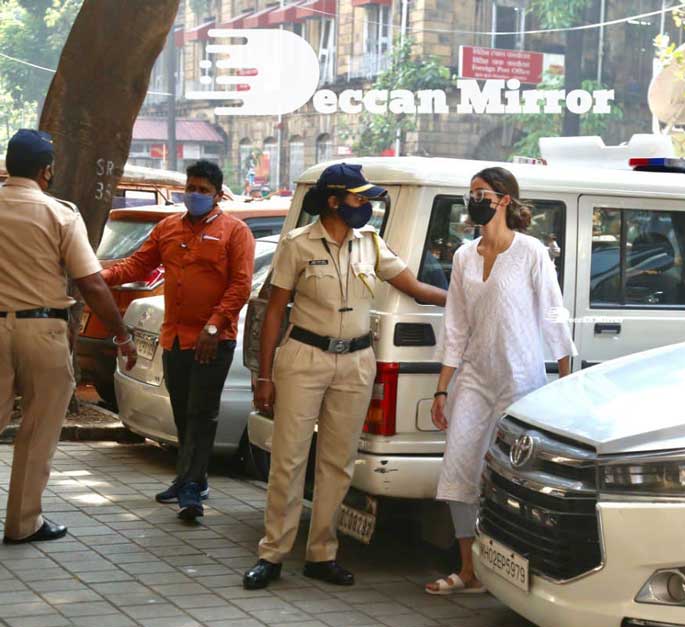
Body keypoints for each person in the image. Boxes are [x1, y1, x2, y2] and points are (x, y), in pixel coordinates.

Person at [244, 164, 446, 590]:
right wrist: (265, 376)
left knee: (337, 463)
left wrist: (469, 299)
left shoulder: (370, 244)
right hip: (303, 358)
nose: (367, 206)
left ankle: (321, 554)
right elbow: (275, 310)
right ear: (334, 201)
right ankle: (273, 553)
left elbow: (414, 286)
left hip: (355, 362)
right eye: (360, 199)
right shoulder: (297, 244)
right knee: (289, 459)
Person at [425, 167, 575, 595]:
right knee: (458, 468)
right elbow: (455, 326)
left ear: (505, 199)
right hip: (474, 376)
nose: (473, 199)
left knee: (512, 477)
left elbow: (553, 314)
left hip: (519, 380)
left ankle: (509, 571)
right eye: (470, 192)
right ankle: (468, 570)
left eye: (481, 192)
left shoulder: (530, 252)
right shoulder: (463, 256)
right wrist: (442, 387)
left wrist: (564, 381)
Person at [0, 129, 137, 544]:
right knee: (38, 428)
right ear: (46, 170)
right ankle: (24, 524)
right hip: (43, 331)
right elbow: (92, 284)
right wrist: (121, 334)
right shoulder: (59, 214)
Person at [102, 160, 255, 521]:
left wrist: (214, 327)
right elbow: (137, 265)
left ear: (218, 195)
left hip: (212, 341)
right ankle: (191, 478)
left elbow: (241, 286)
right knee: (184, 413)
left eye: (203, 190)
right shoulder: (168, 228)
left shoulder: (235, 232)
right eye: (191, 187)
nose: (195, 194)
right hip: (174, 338)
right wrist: (99, 275)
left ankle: (190, 489)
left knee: (202, 413)